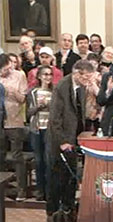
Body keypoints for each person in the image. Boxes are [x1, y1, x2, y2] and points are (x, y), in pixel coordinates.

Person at [46, 60, 94, 221]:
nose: (88, 81)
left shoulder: (80, 87)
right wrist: (62, 141)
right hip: (60, 139)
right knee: (57, 177)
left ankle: (69, 207)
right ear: (77, 73)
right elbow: (55, 119)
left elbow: (79, 113)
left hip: (73, 138)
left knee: (70, 177)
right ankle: (53, 211)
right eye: (86, 77)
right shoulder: (62, 87)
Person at [0, 54, 28, 201]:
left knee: (17, 156)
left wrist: (10, 90)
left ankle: (21, 190)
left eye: (4, 69)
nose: (2, 73)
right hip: (0, 121)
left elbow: (23, 99)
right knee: (1, 156)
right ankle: (3, 189)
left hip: (14, 120)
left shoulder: (19, 75)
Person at [27, 65, 53, 201]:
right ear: (39, 76)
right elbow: (28, 113)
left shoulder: (54, 92)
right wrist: (38, 106)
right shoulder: (33, 92)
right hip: (36, 129)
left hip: (49, 129)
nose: (47, 77)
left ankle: (49, 191)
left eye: (50, 74)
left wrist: (50, 107)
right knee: (38, 160)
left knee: (48, 160)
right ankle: (39, 190)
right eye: (45, 74)